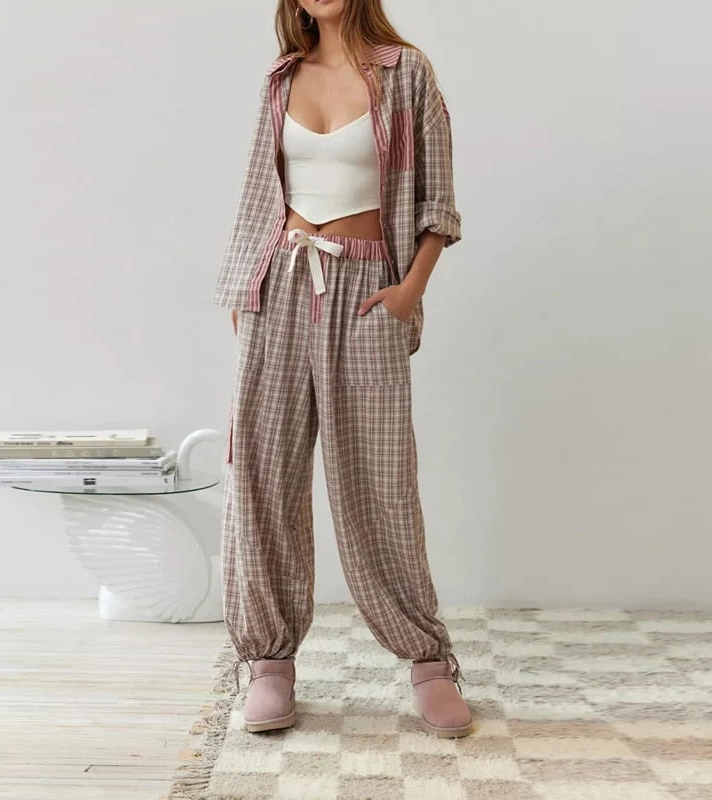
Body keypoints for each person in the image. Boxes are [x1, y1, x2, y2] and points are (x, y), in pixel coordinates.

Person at [214, 0, 472, 738]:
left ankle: (427, 661)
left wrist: (408, 291)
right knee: (262, 474)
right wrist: (248, 287)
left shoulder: (407, 73)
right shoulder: (281, 78)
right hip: (280, 285)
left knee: (379, 480)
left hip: (368, 291)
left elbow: (437, 200)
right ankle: (269, 662)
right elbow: (259, 193)